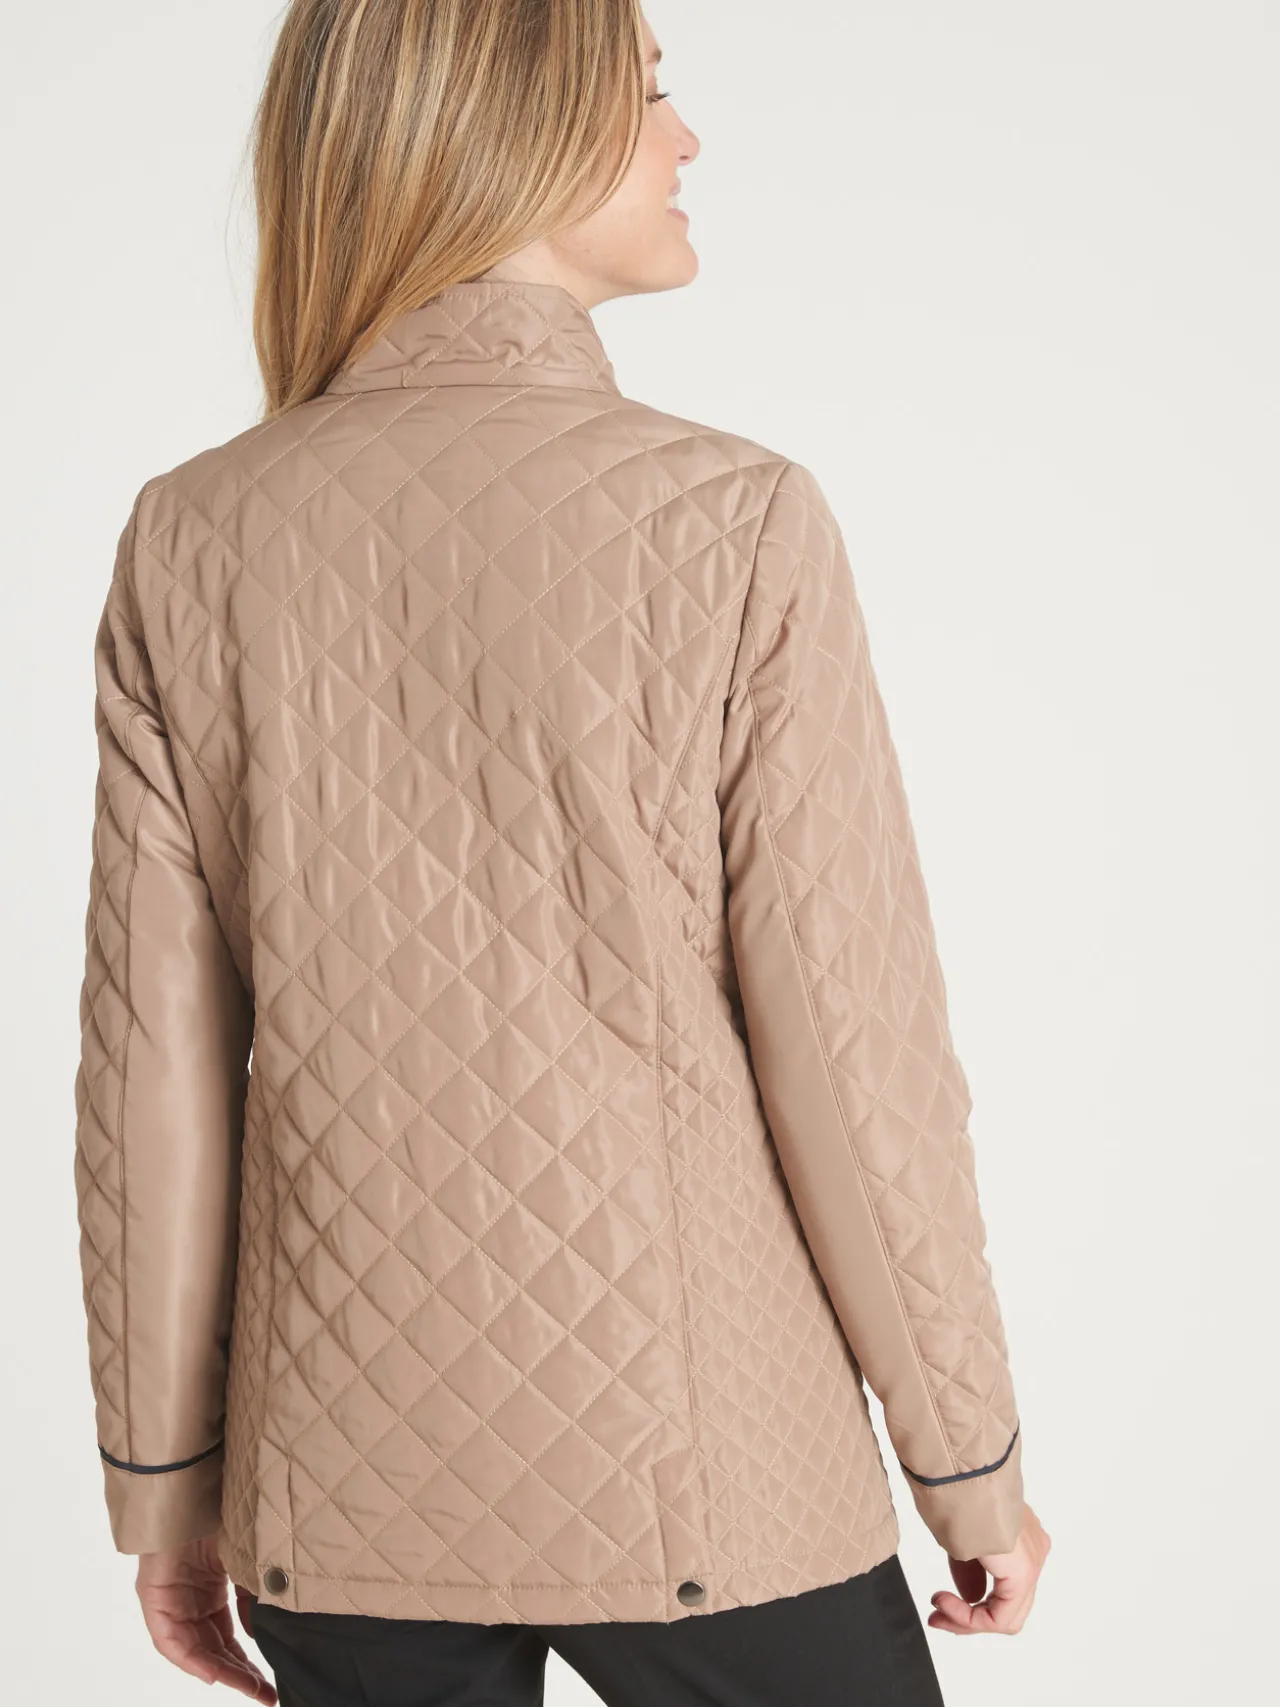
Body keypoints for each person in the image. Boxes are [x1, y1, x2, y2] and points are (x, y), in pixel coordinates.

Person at [71, 4, 1049, 1703]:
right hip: (719, 1479)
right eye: (649, 93)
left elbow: (154, 1085)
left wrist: (167, 1491)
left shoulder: (193, 535)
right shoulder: (733, 520)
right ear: (501, 129)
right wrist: (969, 1463)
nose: (689, 138)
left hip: (338, 1495)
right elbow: (854, 1057)